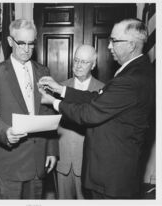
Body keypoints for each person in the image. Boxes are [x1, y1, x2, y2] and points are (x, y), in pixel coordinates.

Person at [38, 18, 155, 199]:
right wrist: (60, 90)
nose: (109, 46)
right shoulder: (134, 71)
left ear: (131, 45)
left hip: (112, 176)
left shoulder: (130, 79)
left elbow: (89, 113)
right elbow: (95, 98)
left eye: (114, 41)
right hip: (110, 173)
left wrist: (54, 103)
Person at [0, 19, 58, 199]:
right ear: (10, 41)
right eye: (21, 43)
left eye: (31, 43)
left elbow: (48, 112)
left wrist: (52, 150)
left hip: (38, 161)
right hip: (10, 162)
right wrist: (4, 131)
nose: (27, 49)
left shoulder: (43, 71)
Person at [56, 45, 104, 199]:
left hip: (89, 164)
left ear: (94, 65)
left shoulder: (103, 90)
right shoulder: (59, 87)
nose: (78, 65)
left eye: (84, 62)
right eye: (76, 60)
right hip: (62, 160)